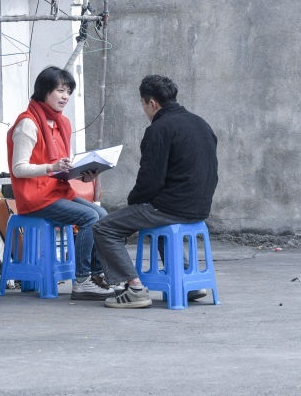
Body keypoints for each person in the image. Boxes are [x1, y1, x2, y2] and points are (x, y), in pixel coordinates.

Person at [93, 75, 219, 309]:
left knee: (104, 227)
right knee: (154, 218)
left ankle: (135, 289)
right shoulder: (201, 123)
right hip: (200, 207)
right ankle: (186, 279)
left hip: (172, 207)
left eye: (143, 104)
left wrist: (133, 203)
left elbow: (150, 181)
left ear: (152, 103)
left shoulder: (159, 129)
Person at [7, 66, 113, 300]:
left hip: (58, 192)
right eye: (60, 91)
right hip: (35, 198)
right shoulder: (27, 124)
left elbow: (63, 166)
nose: (65, 97)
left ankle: (97, 275)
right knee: (90, 217)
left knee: (102, 215)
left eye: (68, 92)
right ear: (44, 91)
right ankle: (82, 280)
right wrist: (51, 167)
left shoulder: (62, 123)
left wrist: (83, 175)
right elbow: (18, 169)